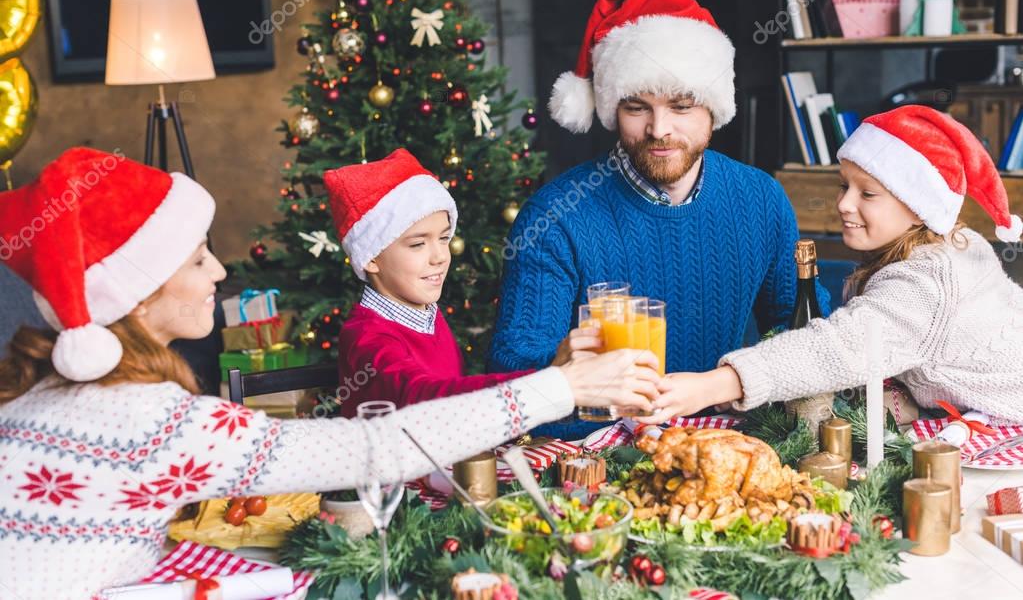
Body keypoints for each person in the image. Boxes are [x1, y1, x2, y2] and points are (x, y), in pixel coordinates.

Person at [0, 148, 661, 599]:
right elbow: (376, 445)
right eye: (199, 258)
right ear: (138, 294)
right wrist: (563, 386)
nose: (221, 273)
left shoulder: (34, 397)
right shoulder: (154, 421)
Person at [488, 0, 829, 438]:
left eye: (681, 105)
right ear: (610, 110)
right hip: (591, 459)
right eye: (636, 107)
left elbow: (803, 332)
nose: (659, 129)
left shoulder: (760, 199)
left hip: (722, 446)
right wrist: (556, 374)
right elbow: (509, 379)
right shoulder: (555, 217)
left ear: (714, 110)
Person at [641, 106, 1023, 425]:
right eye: (845, 186)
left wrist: (718, 384)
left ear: (920, 210)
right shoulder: (955, 243)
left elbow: (841, 347)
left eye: (868, 194)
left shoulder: (927, 279)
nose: (844, 204)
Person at [328, 149, 550, 416]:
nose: (440, 256)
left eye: (444, 238)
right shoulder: (367, 339)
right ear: (370, 258)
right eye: (418, 244)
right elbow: (423, 396)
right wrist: (547, 386)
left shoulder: (426, 314)